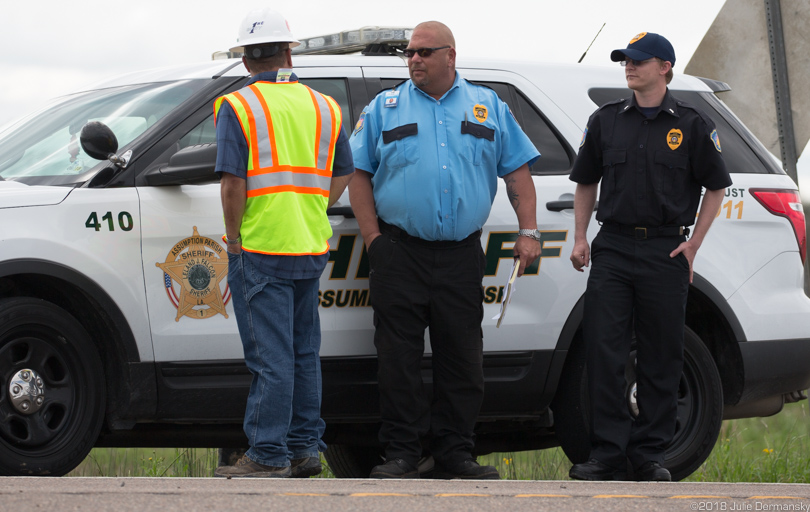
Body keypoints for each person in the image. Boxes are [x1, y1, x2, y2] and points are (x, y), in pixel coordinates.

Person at [349, 20, 542, 480]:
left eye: (424, 52)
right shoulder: (385, 107)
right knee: (398, 359)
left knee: (462, 358)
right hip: (399, 252)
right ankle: (402, 454)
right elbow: (358, 175)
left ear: (450, 56)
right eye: (410, 53)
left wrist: (529, 230)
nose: (413, 59)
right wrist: (374, 239)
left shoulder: (487, 106)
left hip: (459, 254)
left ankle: (456, 453)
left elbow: (517, 174)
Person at [567, 32, 731, 482]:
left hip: (664, 250)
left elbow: (717, 186)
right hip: (614, 248)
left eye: (638, 61)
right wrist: (580, 237)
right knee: (605, 350)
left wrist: (694, 243)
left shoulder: (693, 125)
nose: (629, 67)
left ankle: (649, 457)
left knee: (661, 354)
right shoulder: (605, 122)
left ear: (664, 67)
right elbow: (586, 182)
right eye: (625, 60)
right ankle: (606, 455)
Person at [214, 8, 354, 478]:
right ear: (289, 51)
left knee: (269, 357)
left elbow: (233, 184)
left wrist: (233, 240)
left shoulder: (239, 106)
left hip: (260, 246)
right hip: (309, 244)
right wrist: (311, 205)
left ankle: (268, 454)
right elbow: (343, 174)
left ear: (246, 60)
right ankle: (303, 450)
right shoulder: (326, 106)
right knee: (301, 354)